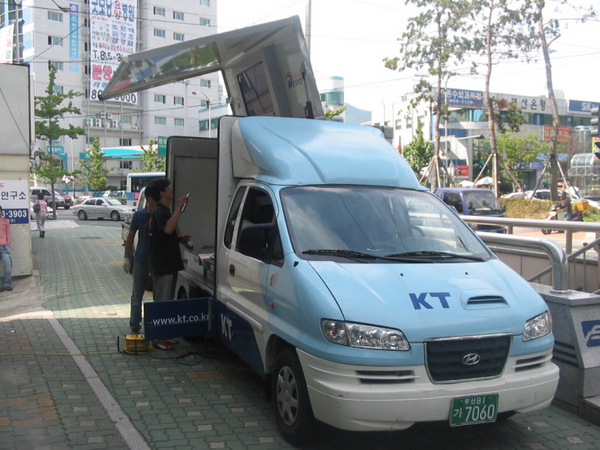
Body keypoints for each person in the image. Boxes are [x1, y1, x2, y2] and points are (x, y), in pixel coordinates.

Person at [146, 178, 190, 350]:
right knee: (162, 301)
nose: (171, 189)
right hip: (162, 265)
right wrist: (179, 207)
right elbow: (168, 229)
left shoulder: (164, 211)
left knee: (168, 300)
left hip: (168, 263)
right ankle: (157, 339)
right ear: (162, 193)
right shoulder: (160, 211)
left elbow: (167, 234)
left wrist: (180, 238)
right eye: (168, 187)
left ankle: (164, 333)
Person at [123, 189, 155, 335]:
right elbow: (130, 236)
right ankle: (135, 326)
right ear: (147, 198)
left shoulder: (161, 214)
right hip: (141, 259)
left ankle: (155, 325)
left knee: (158, 297)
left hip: (157, 261)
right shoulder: (139, 215)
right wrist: (126, 257)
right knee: (137, 296)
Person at [0, 205, 13, 292]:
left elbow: (8, 234)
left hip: (4, 247)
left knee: (8, 266)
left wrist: (8, 244)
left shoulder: (5, 221)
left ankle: (7, 284)